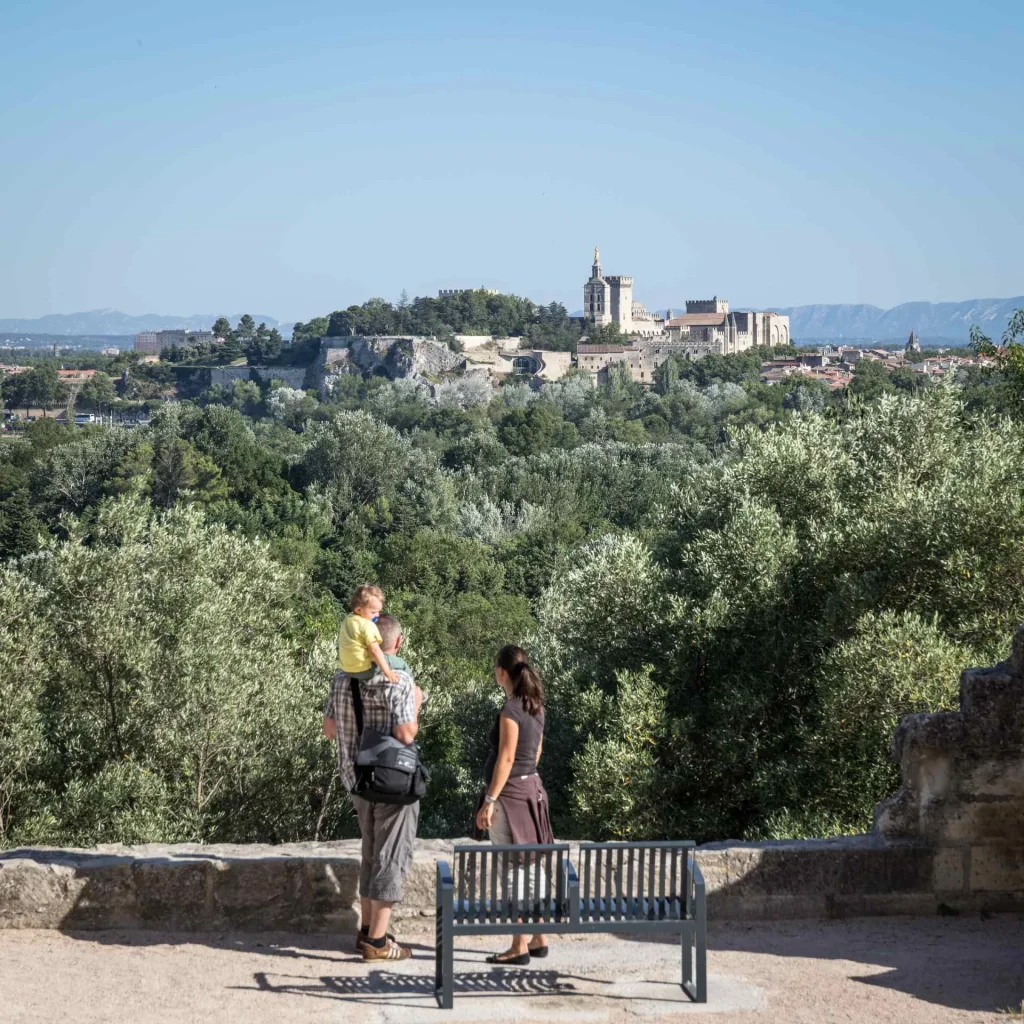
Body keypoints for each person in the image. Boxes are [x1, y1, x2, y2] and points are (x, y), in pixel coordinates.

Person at [323, 613, 424, 962]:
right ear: (395, 643)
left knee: (370, 852)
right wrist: (416, 702)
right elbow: (406, 733)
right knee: (391, 856)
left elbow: (330, 730)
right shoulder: (398, 680)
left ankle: (365, 931)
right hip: (392, 781)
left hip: (356, 779)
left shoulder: (341, 679)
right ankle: (378, 943)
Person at [474, 644, 553, 965]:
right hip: (534, 791)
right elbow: (534, 755)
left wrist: (490, 800)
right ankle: (538, 937)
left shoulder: (510, 711)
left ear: (502, 673)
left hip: (511, 798)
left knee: (512, 869)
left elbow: (506, 758)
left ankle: (518, 946)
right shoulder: (536, 707)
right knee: (533, 863)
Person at [338, 584, 398, 684]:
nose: (377, 615)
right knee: (395, 661)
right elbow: (375, 651)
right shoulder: (368, 625)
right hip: (363, 671)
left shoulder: (348, 620)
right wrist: (388, 672)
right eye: (374, 612)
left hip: (346, 669)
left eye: (379, 611)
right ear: (358, 610)